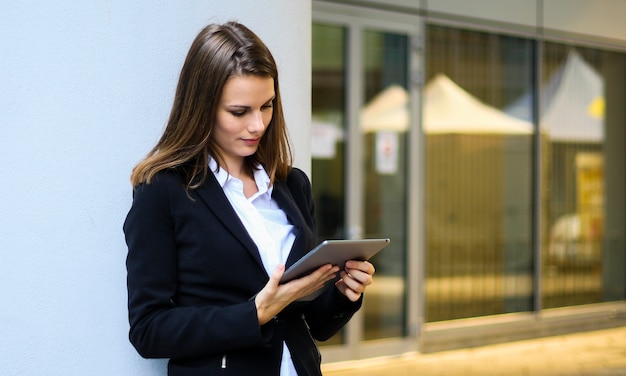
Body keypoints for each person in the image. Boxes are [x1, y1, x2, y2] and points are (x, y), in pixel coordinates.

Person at [123, 21, 376, 376]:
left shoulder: (292, 185)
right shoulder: (163, 191)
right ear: (203, 107)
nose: (258, 125)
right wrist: (255, 312)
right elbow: (149, 330)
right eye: (240, 112)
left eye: (267, 106)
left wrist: (344, 293)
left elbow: (313, 324)